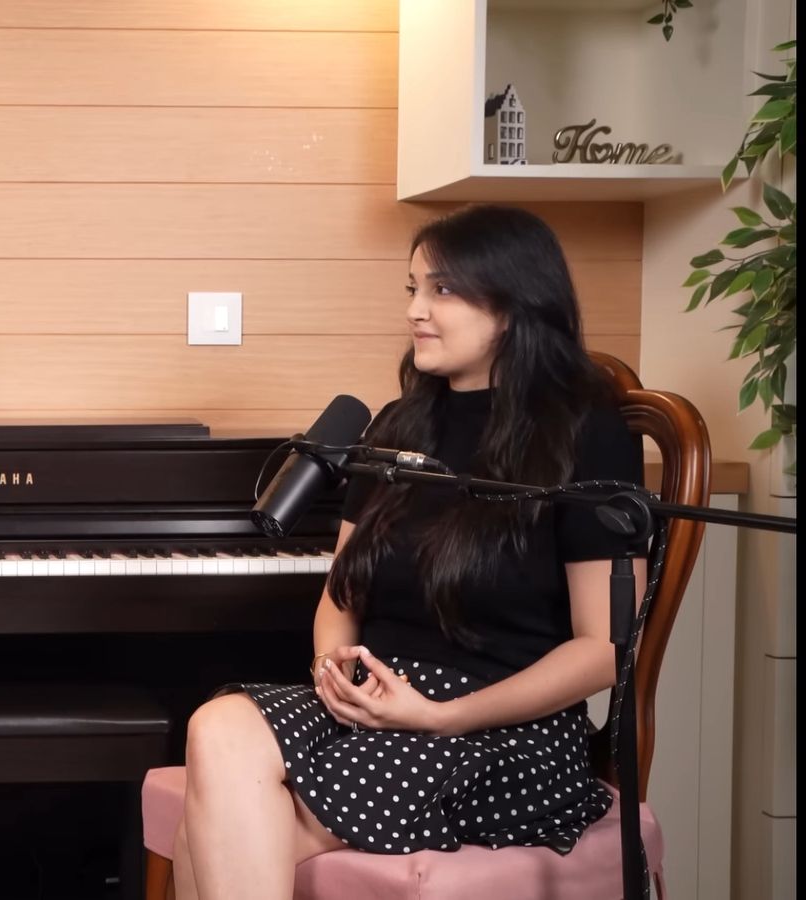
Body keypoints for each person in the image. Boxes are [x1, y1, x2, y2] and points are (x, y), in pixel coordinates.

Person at [171, 205, 647, 899]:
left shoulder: (587, 437)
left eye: (442, 289)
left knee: (213, 826)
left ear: (514, 304)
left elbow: (603, 648)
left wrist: (439, 716)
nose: (415, 311)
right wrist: (333, 671)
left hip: (502, 729)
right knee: (217, 725)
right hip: (378, 704)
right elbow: (342, 591)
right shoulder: (399, 426)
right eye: (413, 288)